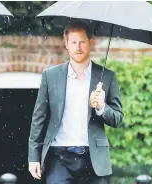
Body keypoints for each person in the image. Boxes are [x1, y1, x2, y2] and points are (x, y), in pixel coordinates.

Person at [28, 21, 123, 184]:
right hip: (59, 158)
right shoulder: (50, 76)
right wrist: (33, 157)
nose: (78, 47)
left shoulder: (107, 77)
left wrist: (101, 107)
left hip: (94, 159)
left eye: (82, 42)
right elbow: (39, 119)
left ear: (91, 43)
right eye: (73, 42)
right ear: (66, 44)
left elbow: (117, 118)